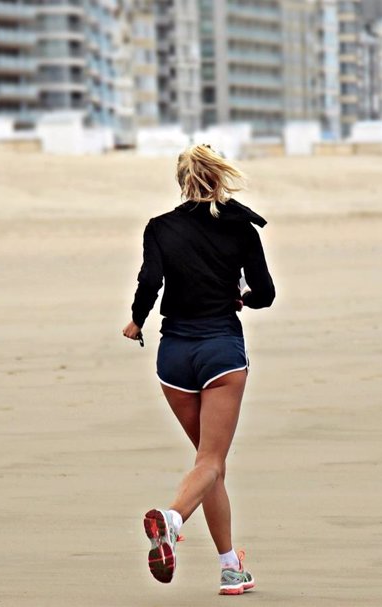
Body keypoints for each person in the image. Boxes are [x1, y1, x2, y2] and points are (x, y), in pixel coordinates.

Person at [122, 144, 275, 596]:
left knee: (209, 467)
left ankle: (231, 567)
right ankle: (170, 521)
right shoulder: (241, 227)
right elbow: (264, 293)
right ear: (219, 176)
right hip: (220, 354)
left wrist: (136, 319)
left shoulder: (160, 227)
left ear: (181, 181)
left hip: (173, 358)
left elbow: (149, 281)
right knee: (210, 462)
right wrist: (241, 298)